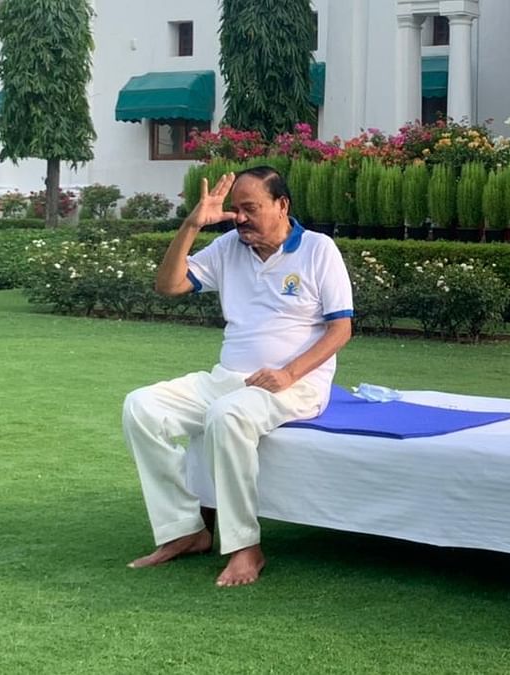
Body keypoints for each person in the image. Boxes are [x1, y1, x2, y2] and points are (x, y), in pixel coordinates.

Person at [122, 166, 354, 586]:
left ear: (282, 205)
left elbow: (341, 329)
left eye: (251, 208)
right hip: (229, 377)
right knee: (142, 406)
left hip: (297, 385)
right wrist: (192, 225)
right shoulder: (229, 247)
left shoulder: (319, 250)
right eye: (235, 210)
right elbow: (168, 286)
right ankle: (185, 531)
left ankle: (245, 547)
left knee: (226, 415)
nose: (240, 218)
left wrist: (288, 373)